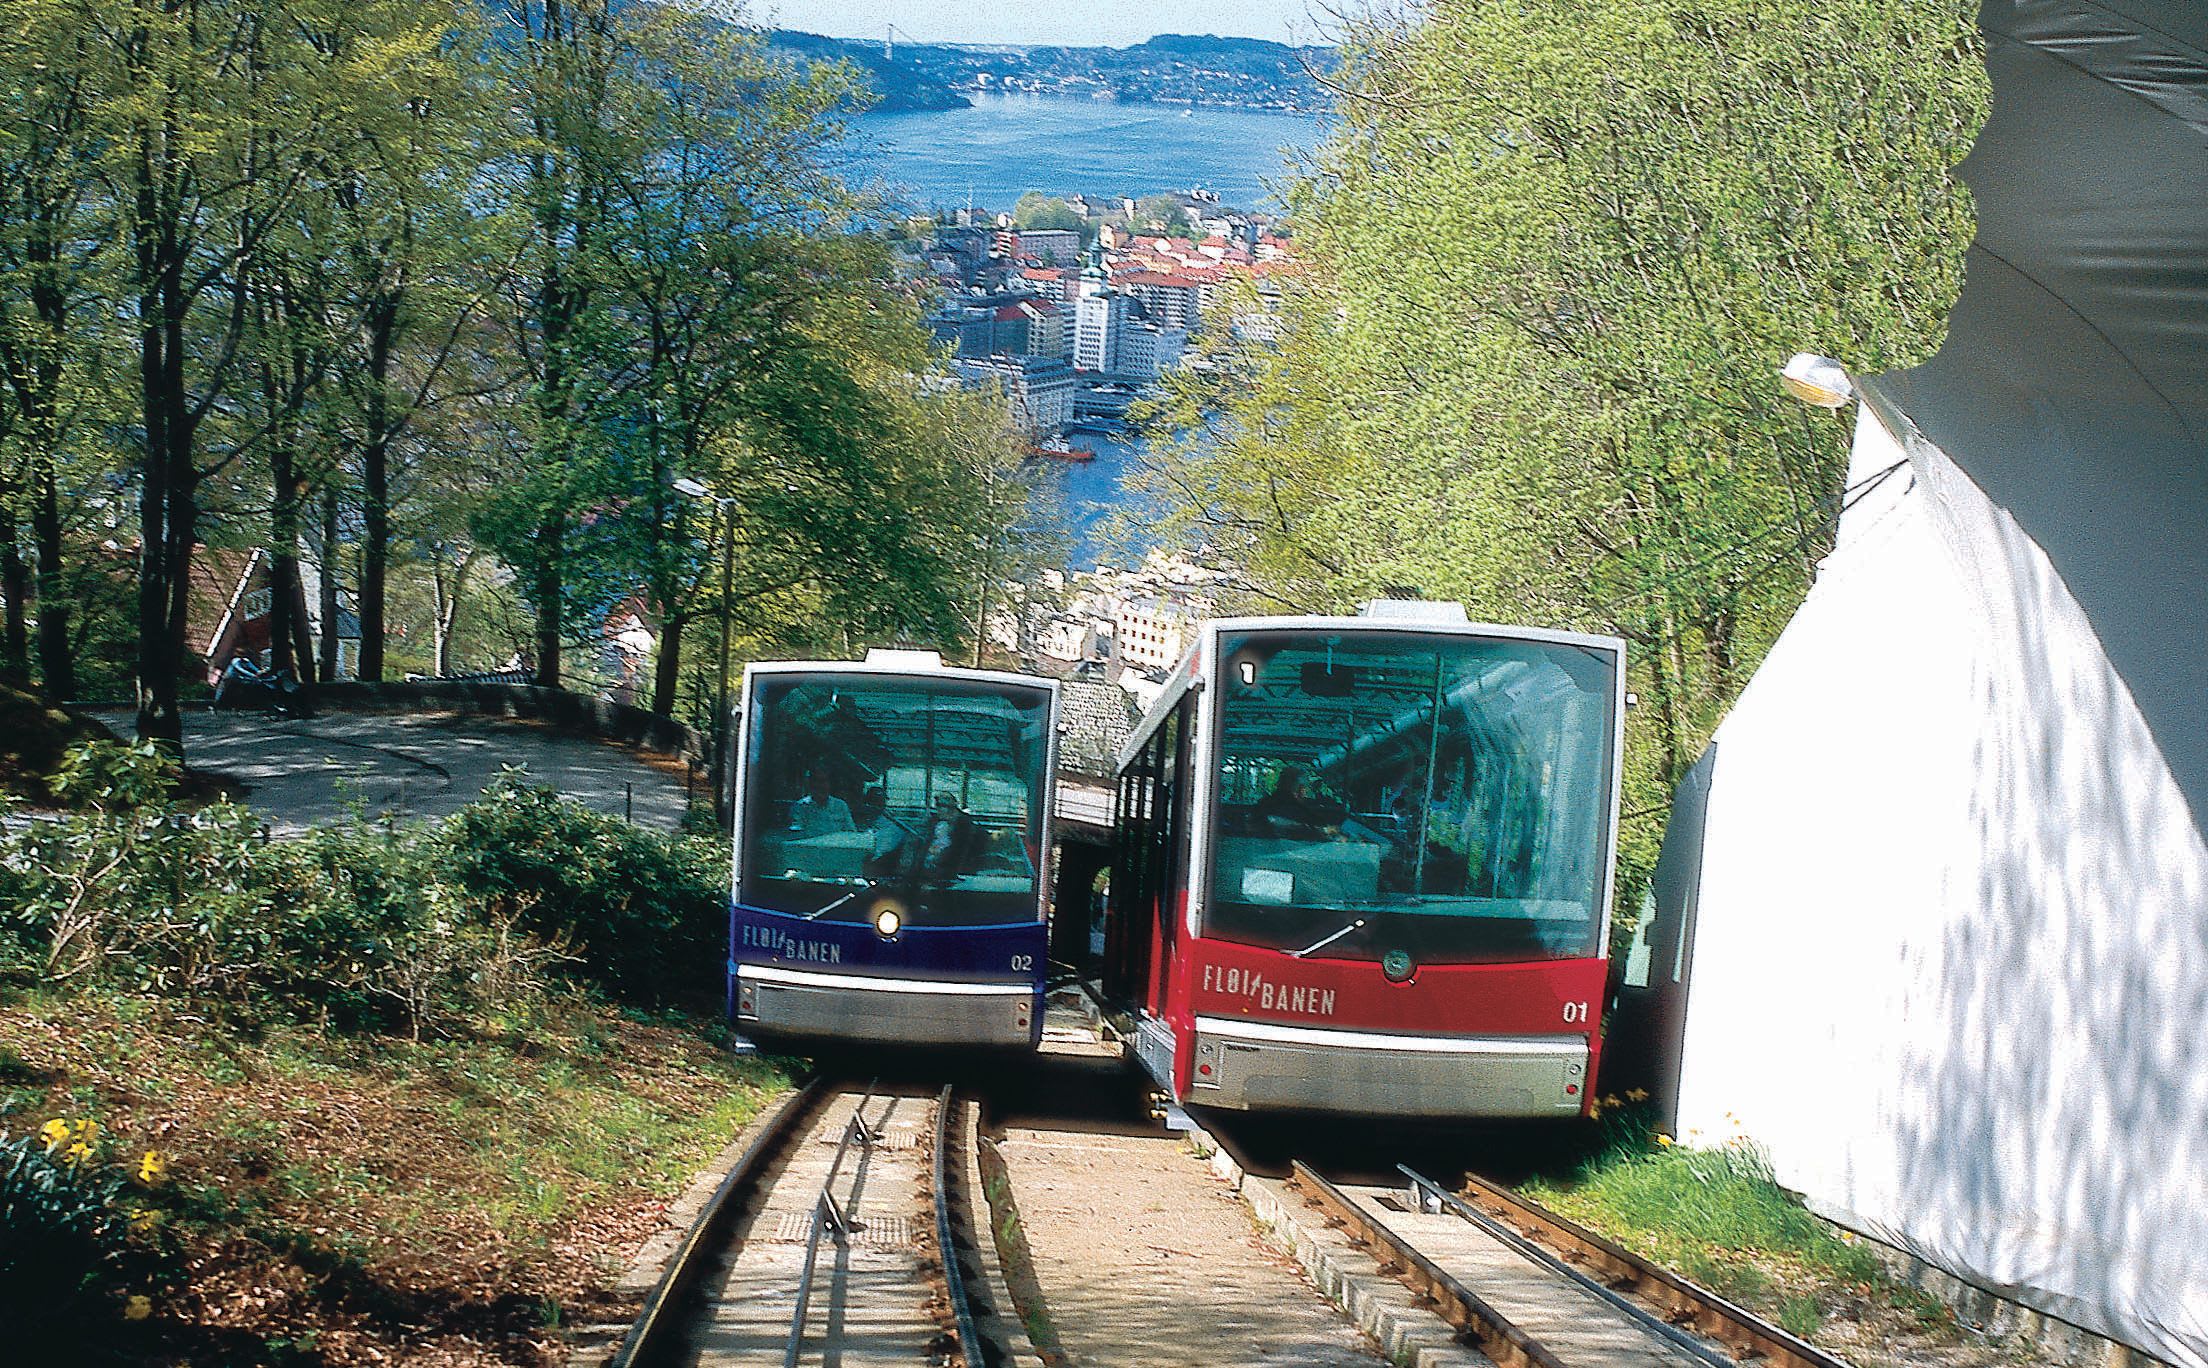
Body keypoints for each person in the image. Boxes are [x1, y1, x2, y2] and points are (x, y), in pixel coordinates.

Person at [1253, 766, 1346, 838]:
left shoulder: (1263, 804)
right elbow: (1316, 829)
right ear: (1299, 787)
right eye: (1304, 787)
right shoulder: (1299, 810)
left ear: (1278, 783)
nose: (1304, 791)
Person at [917, 794, 980, 885]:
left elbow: (959, 854)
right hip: (926, 870)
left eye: (943, 806)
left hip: (948, 875)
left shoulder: (964, 827)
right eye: (938, 805)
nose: (939, 810)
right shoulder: (934, 822)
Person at [854, 787, 912, 880]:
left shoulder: (891, 822)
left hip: (883, 867)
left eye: (880, 800)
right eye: (874, 800)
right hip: (862, 866)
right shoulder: (859, 818)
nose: (879, 803)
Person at [786, 770, 854, 838]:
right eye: (816, 781)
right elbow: (795, 834)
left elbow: (851, 832)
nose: (821, 786)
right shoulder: (800, 806)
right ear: (810, 785)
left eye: (824, 781)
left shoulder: (840, 805)